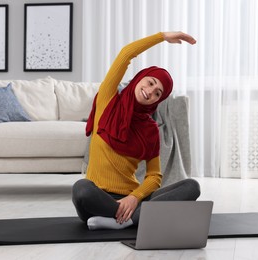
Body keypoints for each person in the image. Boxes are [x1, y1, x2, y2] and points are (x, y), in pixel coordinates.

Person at [72, 31, 201, 230]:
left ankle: (125, 220)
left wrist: (134, 197)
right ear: (140, 78)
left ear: (158, 100)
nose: (150, 91)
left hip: (133, 200)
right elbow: (126, 54)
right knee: (82, 189)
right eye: (150, 83)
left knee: (192, 187)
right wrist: (162, 36)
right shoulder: (108, 101)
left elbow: (154, 176)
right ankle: (131, 217)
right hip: (98, 199)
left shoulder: (150, 129)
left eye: (157, 93)